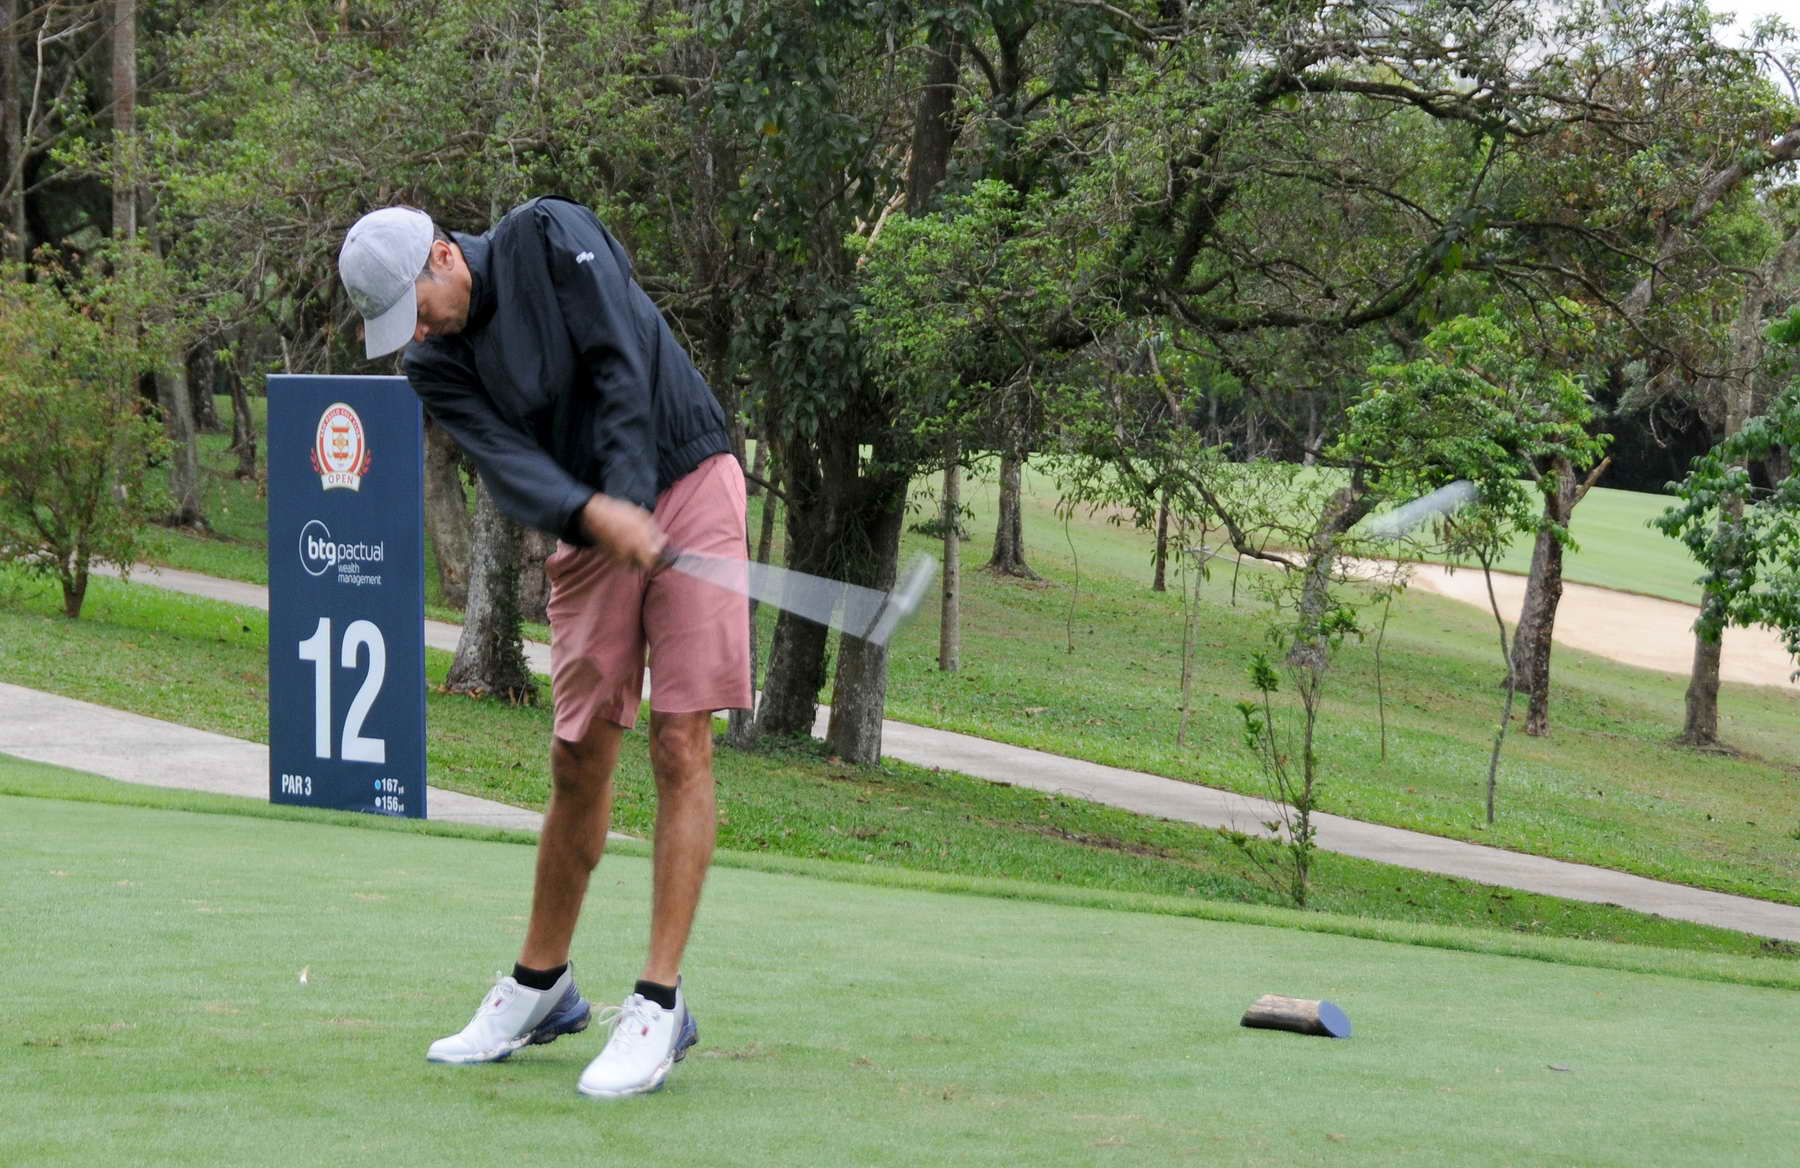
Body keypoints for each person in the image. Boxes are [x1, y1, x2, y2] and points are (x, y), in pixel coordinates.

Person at [337, 198, 750, 1098]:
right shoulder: (433, 364)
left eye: (417, 309)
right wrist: (598, 514)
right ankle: (542, 986)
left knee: (680, 740)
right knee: (576, 755)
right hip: (592, 519)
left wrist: (631, 495)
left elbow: (619, 359)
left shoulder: (548, 236)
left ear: (445, 257)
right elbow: (511, 468)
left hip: (685, 473)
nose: (417, 333)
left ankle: (659, 1002)